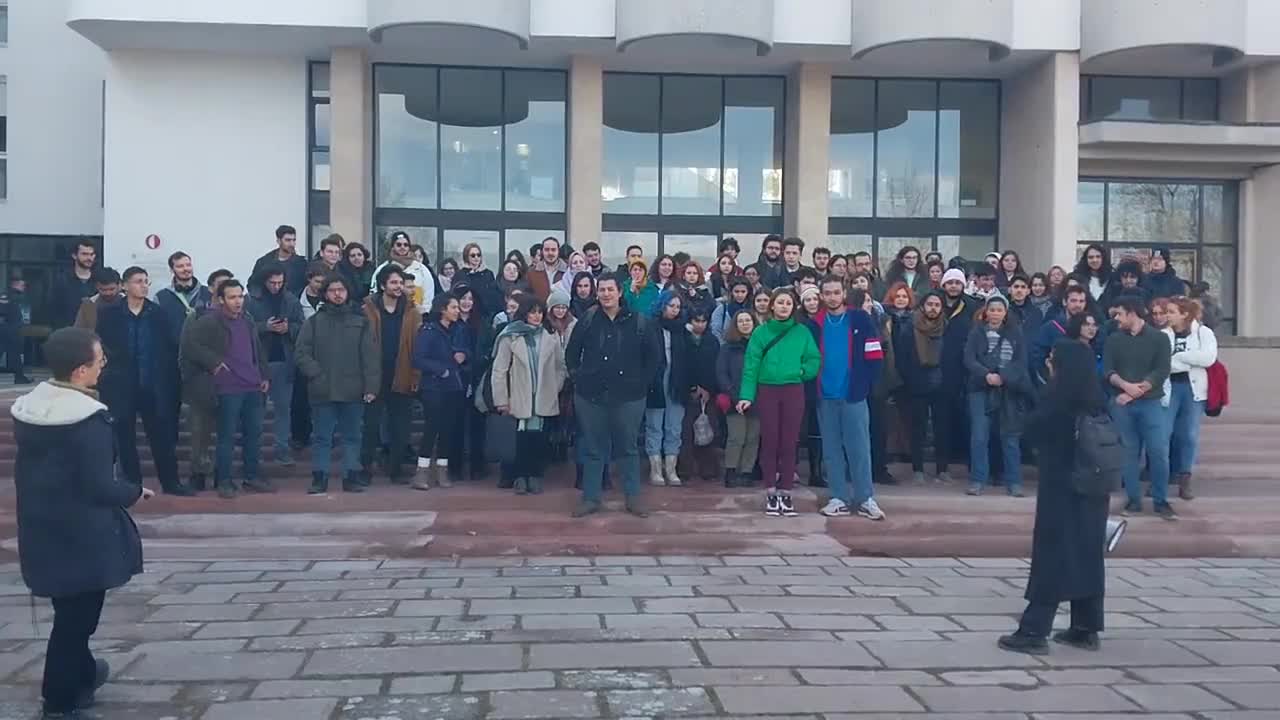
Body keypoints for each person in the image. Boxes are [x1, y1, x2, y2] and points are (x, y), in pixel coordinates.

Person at [12, 327, 151, 719]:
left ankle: (84, 674)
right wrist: (133, 493)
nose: (102, 366)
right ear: (79, 372)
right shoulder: (86, 419)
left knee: (68, 613)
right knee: (76, 622)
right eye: (98, 361)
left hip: (42, 527)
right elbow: (97, 485)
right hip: (81, 534)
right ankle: (58, 700)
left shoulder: (32, 411)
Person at [998, 339, 1110, 656]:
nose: (1049, 362)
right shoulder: (1095, 399)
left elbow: (1031, 431)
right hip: (1093, 489)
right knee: (1089, 555)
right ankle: (1085, 628)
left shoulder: (1057, 399)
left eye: (1052, 358)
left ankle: (1034, 630)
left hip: (1061, 489)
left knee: (1052, 557)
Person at [567, 272, 661, 517]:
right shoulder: (587, 320)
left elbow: (654, 358)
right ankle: (591, 498)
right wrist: (579, 377)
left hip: (629, 397)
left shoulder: (640, 321)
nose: (606, 294)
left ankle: (632, 499)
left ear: (620, 292)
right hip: (591, 397)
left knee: (628, 448)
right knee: (593, 448)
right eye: (602, 290)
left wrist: (641, 384)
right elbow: (571, 354)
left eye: (610, 289)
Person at [96, 267, 193, 496]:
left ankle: (171, 482)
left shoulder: (157, 313)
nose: (144, 285)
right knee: (124, 438)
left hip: (153, 384)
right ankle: (132, 484)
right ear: (125, 285)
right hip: (121, 386)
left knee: (162, 437)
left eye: (146, 281)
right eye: (138, 281)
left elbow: (169, 349)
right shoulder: (109, 314)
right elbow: (103, 347)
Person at [737, 288, 821, 517]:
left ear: (794, 307)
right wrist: (746, 395)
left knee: (789, 441)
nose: (784, 306)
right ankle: (771, 491)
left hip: (793, 389)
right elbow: (751, 365)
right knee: (771, 440)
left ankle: (786, 491)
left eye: (788, 303)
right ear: (771, 306)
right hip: (767, 390)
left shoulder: (802, 332)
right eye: (780, 303)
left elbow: (814, 358)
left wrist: (802, 371)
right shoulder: (760, 333)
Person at [184, 280, 271, 498]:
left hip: (252, 386)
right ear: (221, 300)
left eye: (240, 296)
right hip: (227, 387)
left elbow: (257, 350)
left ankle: (252, 476)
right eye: (232, 297)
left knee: (253, 434)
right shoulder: (209, 321)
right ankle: (223, 480)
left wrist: (263, 374)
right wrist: (213, 362)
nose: (238, 301)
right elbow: (190, 345)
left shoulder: (248, 321)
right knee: (227, 437)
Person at [296, 275, 379, 495]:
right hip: (323, 390)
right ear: (325, 294)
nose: (337, 294)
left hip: (353, 389)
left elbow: (370, 357)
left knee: (352, 436)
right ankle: (319, 478)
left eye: (341, 290)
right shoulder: (314, 322)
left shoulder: (360, 321)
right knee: (322, 437)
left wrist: (371, 387)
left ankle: (351, 476)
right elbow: (301, 353)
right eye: (332, 290)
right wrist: (317, 375)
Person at [811, 277, 886, 520]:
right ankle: (838, 497)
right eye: (827, 293)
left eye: (836, 292)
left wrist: (864, 386)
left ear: (843, 293)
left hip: (853, 395)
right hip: (825, 396)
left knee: (859, 448)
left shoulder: (860, 319)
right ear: (821, 296)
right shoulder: (815, 323)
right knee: (831, 449)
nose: (832, 297)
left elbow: (875, 355)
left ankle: (865, 498)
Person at [1104, 297, 1175, 520]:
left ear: (1132, 313)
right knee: (1128, 452)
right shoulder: (1114, 339)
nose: (1116, 319)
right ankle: (1133, 499)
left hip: (1151, 403)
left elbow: (1162, 370)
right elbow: (1107, 370)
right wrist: (1125, 387)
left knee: (1158, 452)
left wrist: (1139, 389)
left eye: (1120, 314)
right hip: (1122, 404)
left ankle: (1161, 501)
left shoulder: (1160, 339)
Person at [491, 295, 568, 495]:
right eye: (533, 312)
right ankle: (520, 476)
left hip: (543, 397)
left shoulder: (550, 336)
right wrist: (501, 398)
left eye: (540, 312)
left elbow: (561, 367)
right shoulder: (510, 336)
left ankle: (535, 475)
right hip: (519, 396)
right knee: (520, 439)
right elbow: (499, 370)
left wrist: (554, 387)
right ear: (524, 313)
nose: (537, 316)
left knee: (539, 438)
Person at [964, 295, 1033, 497]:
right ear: (986, 312)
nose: (995, 313)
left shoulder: (1015, 333)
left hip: (1007, 389)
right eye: (991, 309)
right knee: (979, 435)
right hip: (980, 387)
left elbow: (1021, 362)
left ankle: (1014, 482)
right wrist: (987, 375)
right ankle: (978, 480)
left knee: (1010, 437)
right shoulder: (976, 332)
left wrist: (1003, 377)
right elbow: (969, 359)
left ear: (1005, 312)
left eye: (999, 310)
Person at [359, 266, 421, 486]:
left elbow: (416, 345)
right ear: (383, 285)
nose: (399, 287)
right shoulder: (367, 309)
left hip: (401, 373)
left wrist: (415, 376)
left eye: (401, 283)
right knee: (370, 426)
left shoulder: (412, 311)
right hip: (374, 375)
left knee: (401, 428)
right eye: (394, 283)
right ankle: (364, 469)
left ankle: (395, 469)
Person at [246, 264, 304, 468]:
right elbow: (243, 328)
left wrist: (289, 329)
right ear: (264, 281)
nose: (276, 286)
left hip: (284, 360)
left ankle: (282, 450)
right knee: (256, 411)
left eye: (280, 283)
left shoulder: (291, 300)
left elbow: (302, 328)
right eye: (272, 282)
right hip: (258, 362)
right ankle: (253, 452)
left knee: (283, 409)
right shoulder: (252, 300)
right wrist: (265, 327)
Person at [411, 293, 469, 490]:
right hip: (433, 387)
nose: (457, 311)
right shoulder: (429, 331)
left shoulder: (457, 329)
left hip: (453, 386)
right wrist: (441, 369)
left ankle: (442, 470)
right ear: (443, 309)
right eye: (453, 307)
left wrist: (463, 356)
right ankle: (422, 471)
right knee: (432, 427)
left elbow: (463, 350)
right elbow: (418, 358)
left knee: (447, 428)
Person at [892, 289, 951, 485]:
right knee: (918, 428)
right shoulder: (910, 326)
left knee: (943, 428)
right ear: (922, 306)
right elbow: (902, 356)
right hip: (916, 383)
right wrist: (909, 380)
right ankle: (918, 469)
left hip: (942, 384)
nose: (933, 308)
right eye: (930, 304)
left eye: (937, 305)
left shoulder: (947, 327)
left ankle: (942, 469)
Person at [1163, 296, 1217, 501]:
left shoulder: (1204, 333)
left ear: (1184, 314)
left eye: (1171, 312)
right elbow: (1162, 364)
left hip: (1194, 390)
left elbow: (1208, 358)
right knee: (1164, 434)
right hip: (1169, 388)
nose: (1167, 315)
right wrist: (1188, 360)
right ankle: (1163, 477)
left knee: (1189, 435)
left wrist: (1178, 358)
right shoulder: (1164, 335)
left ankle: (1185, 479)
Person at [644, 292, 693, 486]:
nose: (674, 309)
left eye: (677, 306)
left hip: (677, 381)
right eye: (671, 305)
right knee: (654, 424)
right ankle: (655, 469)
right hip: (655, 381)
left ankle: (671, 469)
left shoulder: (682, 329)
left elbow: (690, 358)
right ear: (662, 306)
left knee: (674, 426)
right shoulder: (650, 326)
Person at [447, 286, 492, 483]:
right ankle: (454, 467)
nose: (466, 302)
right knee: (454, 425)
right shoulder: (448, 324)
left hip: (477, 378)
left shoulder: (482, 324)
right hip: (454, 380)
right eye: (462, 299)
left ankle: (477, 466)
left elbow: (490, 349)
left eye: (470, 299)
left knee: (477, 426)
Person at [939, 269, 979, 469]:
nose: (953, 286)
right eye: (950, 282)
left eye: (957, 282)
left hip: (965, 368)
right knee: (943, 418)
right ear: (944, 285)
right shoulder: (935, 304)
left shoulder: (972, 306)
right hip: (940, 368)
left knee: (967, 417)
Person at [717, 309, 761, 488]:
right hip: (734, 399)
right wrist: (734, 395)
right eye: (741, 321)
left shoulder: (759, 345)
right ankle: (731, 470)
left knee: (753, 437)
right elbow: (721, 372)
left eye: (748, 320)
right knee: (737, 436)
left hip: (757, 398)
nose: (745, 324)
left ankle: (746, 471)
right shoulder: (728, 347)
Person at [1031, 285, 1091, 386]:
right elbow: (1038, 360)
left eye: (1081, 301)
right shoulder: (1050, 328)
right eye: (1073, 301)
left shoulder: (1091, 329)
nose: (1078, 305)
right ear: (1064, 302)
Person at [155, 251, 212, 342]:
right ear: (171, 270)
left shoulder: (209, 293)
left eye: (188, 265)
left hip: (204, 351)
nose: (186, 269)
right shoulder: (161, 297)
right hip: (172, 353)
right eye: (180, 266)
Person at [371, 230, 435, 311]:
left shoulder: (422, 269)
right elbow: (374, 292)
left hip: (415, 315)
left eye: (406, 245)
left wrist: (424, 312)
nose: (402, 247)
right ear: (392, 247)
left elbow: (429, 293)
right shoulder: (382, 269)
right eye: (398, 244)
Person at [49, 240, 99, 331]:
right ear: (74, 255)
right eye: (85, 254)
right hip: (68, 333)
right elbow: (54, 310)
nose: (89, 258)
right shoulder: (62, 281)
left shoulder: (99, 280)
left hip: (94, 334)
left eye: (92, 254)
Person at [251, 225, 308, 295]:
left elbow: (305, 286)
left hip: (292, 303)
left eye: (294, 240)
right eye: (288, 240)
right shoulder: (264, 262)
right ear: (278, 241)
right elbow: (253, 284)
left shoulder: (302, 264)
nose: (292, 244)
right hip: (267, 302)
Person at [1, 272, 32, 384]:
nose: (23, 287)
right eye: (21, 285)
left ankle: (19, 377)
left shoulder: (18, 297)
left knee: (15, 354)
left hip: (13, 330)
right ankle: (19, 377)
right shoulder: (7, 296)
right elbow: (2, 311)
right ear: (14, 284)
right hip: (6, 329)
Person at [458, 242, 502, 320]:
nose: (476, 257)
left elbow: (493, 295)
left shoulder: (488, 273)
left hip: (484, 315)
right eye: (473, 255)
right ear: (466, 257)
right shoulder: (460, 274)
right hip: (465, 314)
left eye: (478, 255)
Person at [527, 236, 568, 301]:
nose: (550, 253)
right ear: (542, 252)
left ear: (558, 251)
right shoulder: (531, 273)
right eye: (547, 250)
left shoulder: (567, 271)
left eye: (553, 250)